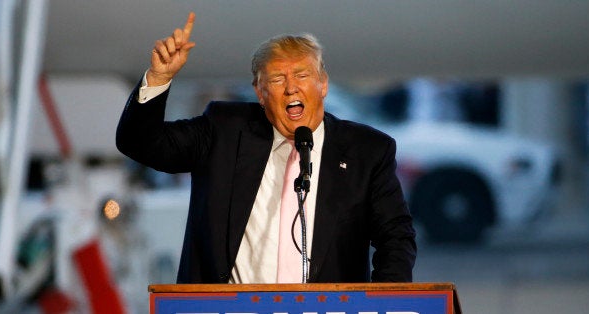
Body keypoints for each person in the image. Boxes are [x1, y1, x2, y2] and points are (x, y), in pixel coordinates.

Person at [116, 12, 416, 284]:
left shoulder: (367, 150)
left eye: (302, 75)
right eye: (276, 79)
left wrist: (381, 303)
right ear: (260, 92)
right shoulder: (223, 131)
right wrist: (159, 79)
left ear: (322, 84)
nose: (291, 88)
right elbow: (141, 143)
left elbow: (396, 238)